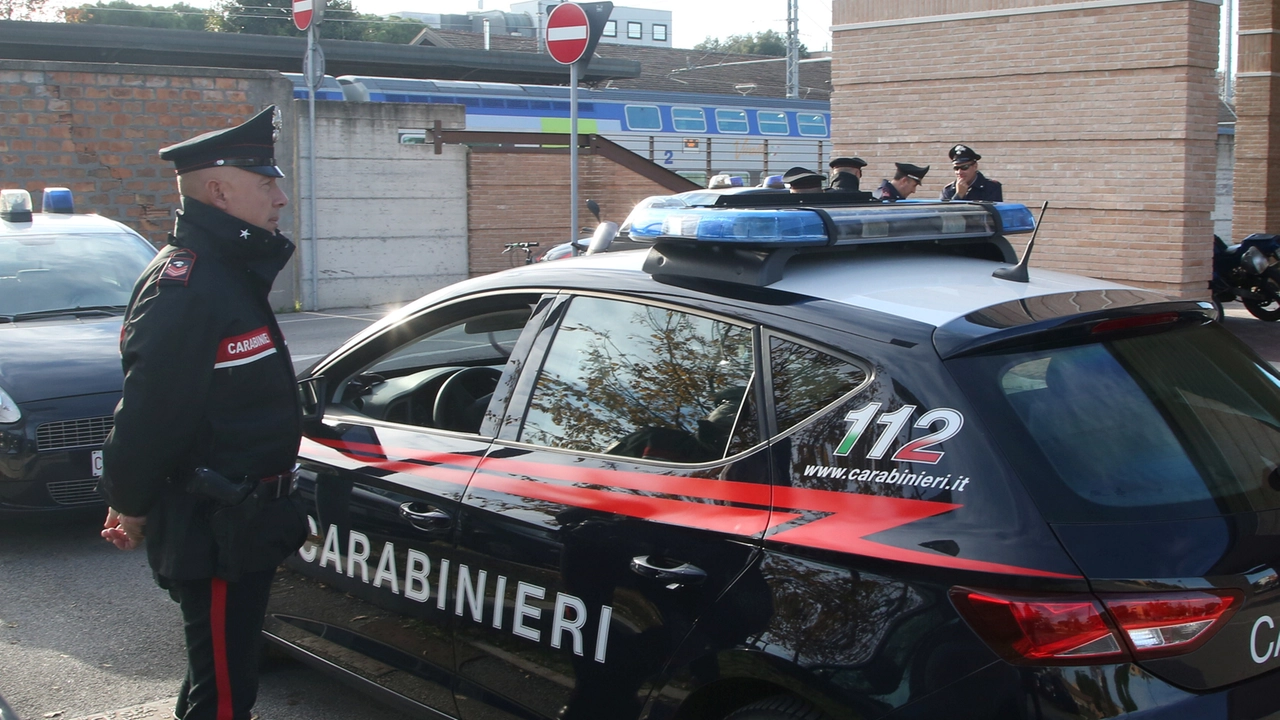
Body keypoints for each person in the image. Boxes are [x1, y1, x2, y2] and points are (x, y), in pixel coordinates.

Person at [99, 105, 308, 720]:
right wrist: (130, 501)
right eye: (267, 182)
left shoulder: (228, 273)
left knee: (216, 682)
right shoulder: (189, 286)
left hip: (242, 524)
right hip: (215, 526)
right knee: (222, 699)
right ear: (218, 190)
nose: (282, 198)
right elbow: (150, 413)